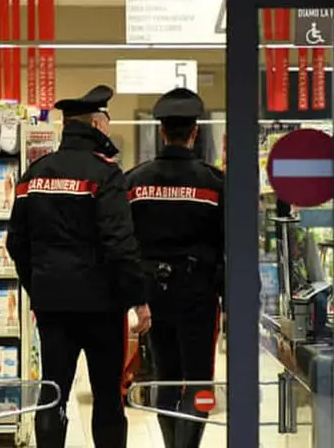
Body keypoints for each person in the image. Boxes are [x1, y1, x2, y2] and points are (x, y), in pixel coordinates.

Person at [6, 84, 152, 448]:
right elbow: (119, 243)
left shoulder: (34, 174)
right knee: (107, 396)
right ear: (97, 125)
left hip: (52, 305)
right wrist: (138, 299)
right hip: (102, 307)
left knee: (52, 394)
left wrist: (38, 285)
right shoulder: (105, 173)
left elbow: (16, 242)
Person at [125, 88, 224, 448]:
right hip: (198, 295)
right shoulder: (214, 183)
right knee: (198, 381)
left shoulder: (135, 181)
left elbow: (124, 241)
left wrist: (134, 294)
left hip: (153, 293)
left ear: (161, 132)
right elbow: (227, 244)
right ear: (195, 132)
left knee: (165, 377)